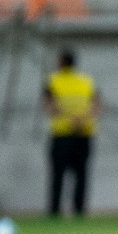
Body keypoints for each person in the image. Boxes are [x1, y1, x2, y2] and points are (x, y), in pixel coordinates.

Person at [43, 48, 100, 218]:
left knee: (58, 174)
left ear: (61, 62)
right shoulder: (86, 81)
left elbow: (49, 105)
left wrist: (68, 118)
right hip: (84, 132)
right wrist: (82, 118)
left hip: (62, 134)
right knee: (81, 174)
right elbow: (97, 104)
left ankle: (55, 211)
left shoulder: (53, 80)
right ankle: (79, 210)